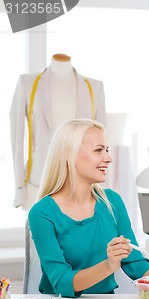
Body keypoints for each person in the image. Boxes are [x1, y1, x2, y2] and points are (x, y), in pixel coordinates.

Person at [28, 119, 149, 298]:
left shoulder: (112, 202)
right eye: (98, 150)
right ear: (70, 154)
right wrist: (109, 265)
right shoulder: (42, 213)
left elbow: (135, 262)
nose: (108, 158)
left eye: (106, 150)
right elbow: (61, 282)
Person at [10, 53, 107, 211]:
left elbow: (101, 145)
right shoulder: (27, 83)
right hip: (37, 185)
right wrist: (19, 188)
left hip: (80, 189)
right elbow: (16, 138)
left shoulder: (94, 88)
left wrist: (101, 192)